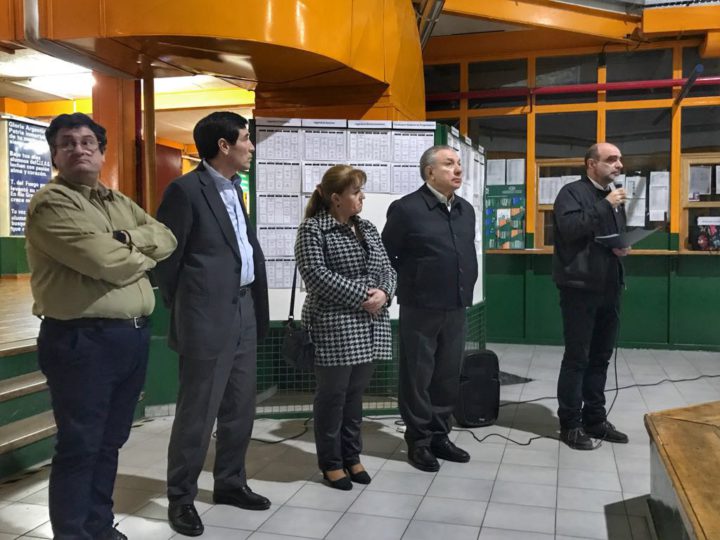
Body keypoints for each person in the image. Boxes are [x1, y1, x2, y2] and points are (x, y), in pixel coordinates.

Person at [25, 113, 177, 540]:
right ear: (55, 154)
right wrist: (137, 252)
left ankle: (98, 525)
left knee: (109, 442)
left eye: (88, 142)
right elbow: (106, 263)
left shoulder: (114, 200)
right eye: (68, 143)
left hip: (129, 337)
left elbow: (166, 236)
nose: (79, 149)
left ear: (101, 152)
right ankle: (73, 533)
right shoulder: (52, 202)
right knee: (80, 446)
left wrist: (127, 242)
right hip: (80, 341)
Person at [154, 111, 270, 537]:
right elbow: (167, 260)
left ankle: (231, 483)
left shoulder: (235, 190)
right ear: (224, 146)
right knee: (197, 414)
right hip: (205, 317)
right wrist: (189, 308)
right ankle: (181, 498)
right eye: (246, 139)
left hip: (243, 313)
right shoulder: (185, 191)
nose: (251, 146)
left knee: (240, 408)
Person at [295, 165, 396, 490]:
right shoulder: (313, 229)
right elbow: (315, 275)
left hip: (370, 325)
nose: (362, 197)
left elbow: (387, 267)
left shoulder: (367, 227)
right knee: (332, 397)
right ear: (336, 198)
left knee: (354, 397)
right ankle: (331, 463)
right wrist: (362, 296)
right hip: (333, 326)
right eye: (356, 192)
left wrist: (385, 292)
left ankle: (352, 456)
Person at [382, 145, 478, 473]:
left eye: (459, 164)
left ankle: (440, 435)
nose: (458, 170)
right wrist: (404, 285)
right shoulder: (407, 209)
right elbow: (387, 255)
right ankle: (419, 441)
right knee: (417, 376)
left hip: (456, 305)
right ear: (429, 172)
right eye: (449, 164)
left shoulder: (466, 209)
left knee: (447, 375)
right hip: (420, 306)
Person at [553, 142, 630, 450]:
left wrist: (621, 246)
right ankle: (570, 424)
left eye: (620, 160)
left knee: (601, 356)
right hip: (579, 288)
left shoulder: (613, 199)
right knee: (577, 358)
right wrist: (605, 205)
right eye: (611, 160)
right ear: (591, 164)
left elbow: (605, 237)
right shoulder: (571, 193)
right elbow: (570, 228)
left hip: (609, 285)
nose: (619, 165)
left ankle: (595, 419)